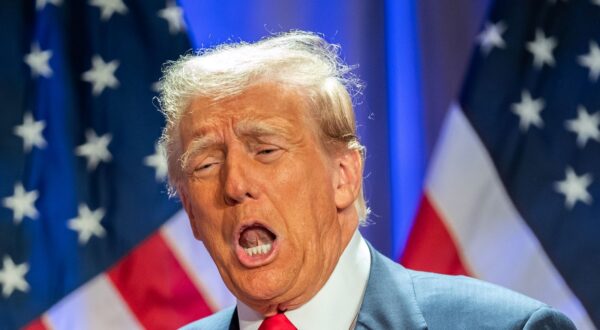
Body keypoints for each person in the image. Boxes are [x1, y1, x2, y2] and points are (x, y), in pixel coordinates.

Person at [157, 31, 575, 330]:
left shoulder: (508, 326)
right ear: (191, 212)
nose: (234, 185)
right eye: (206, 165)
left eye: (266, 151)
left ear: (344, 176)